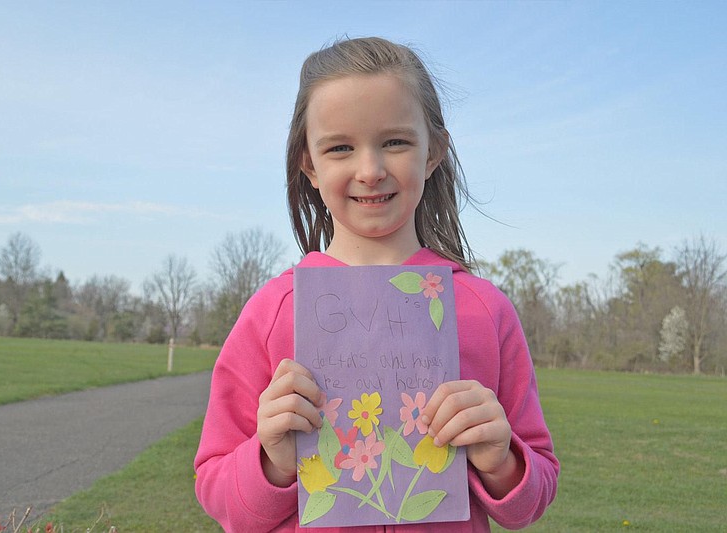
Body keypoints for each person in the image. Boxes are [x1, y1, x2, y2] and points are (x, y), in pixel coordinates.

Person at [194, 36, 559, 532]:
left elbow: (532, 496)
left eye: (395, 142)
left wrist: (502, 459)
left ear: (434, 153)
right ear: (310, 164)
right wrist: (273, 460)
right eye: (340, 147)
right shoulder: (273, 311)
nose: (370, 170)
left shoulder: (483, 309)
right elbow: (219, 494)